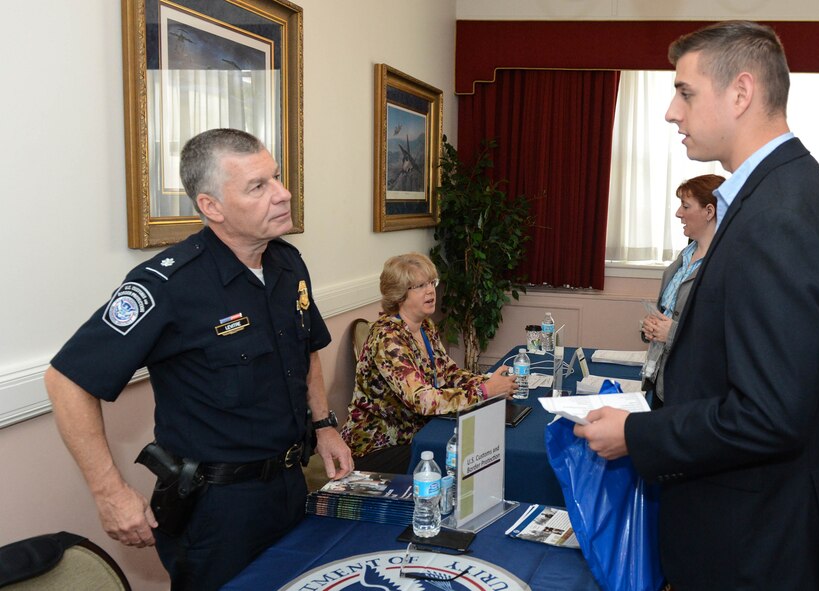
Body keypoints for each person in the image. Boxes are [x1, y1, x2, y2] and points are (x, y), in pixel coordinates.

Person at [575, 21, 819, 590]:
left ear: (741, 93)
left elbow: (769, 415)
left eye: (685, 92)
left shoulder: (778, 216)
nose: (670, 113)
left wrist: (639, 435)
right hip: (758, 528)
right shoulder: (776, 194)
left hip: (759, 544)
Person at [44, 128, 353, 590]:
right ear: (212, 207)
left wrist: (324, 424)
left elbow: (306, 348)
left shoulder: (288, 265)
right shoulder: (168, 284)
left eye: (277, 177)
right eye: (258, 186)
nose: (283, 194)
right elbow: (66, 380)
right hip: (216, 510)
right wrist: (109, 492)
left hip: (290, 485)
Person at [340, 253, 517, 473]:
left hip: (417, 433)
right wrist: (484, 391)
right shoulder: (387, 338)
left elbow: (448, 373)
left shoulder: (425, 327)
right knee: (463, 459)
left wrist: (491, 382)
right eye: (420, 286)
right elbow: (422, 400)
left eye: (432, 283)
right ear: (399, 294)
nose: (430, 290)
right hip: (377, 447)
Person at [640, 174, 723, 407]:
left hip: (693, 389)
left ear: (709, 211)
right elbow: (669, 312)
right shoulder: (685, 256)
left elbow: (724, 336)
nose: (678, 213)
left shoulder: (725, 266)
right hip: (662, 378)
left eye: (686, 206)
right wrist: (651, 325)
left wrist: (672, 333)